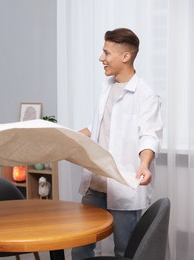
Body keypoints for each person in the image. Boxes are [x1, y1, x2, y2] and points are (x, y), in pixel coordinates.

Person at [71, 28, 163, 259]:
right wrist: (65, 137)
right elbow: (96, 126)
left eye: (106, 53)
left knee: (124, 252)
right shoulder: (107, 86)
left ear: (125, 56)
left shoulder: (145, 94)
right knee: (80, 248)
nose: (101, 58)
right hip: (96, 184)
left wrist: (144, 164)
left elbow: (149, 135)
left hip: (123, 185)